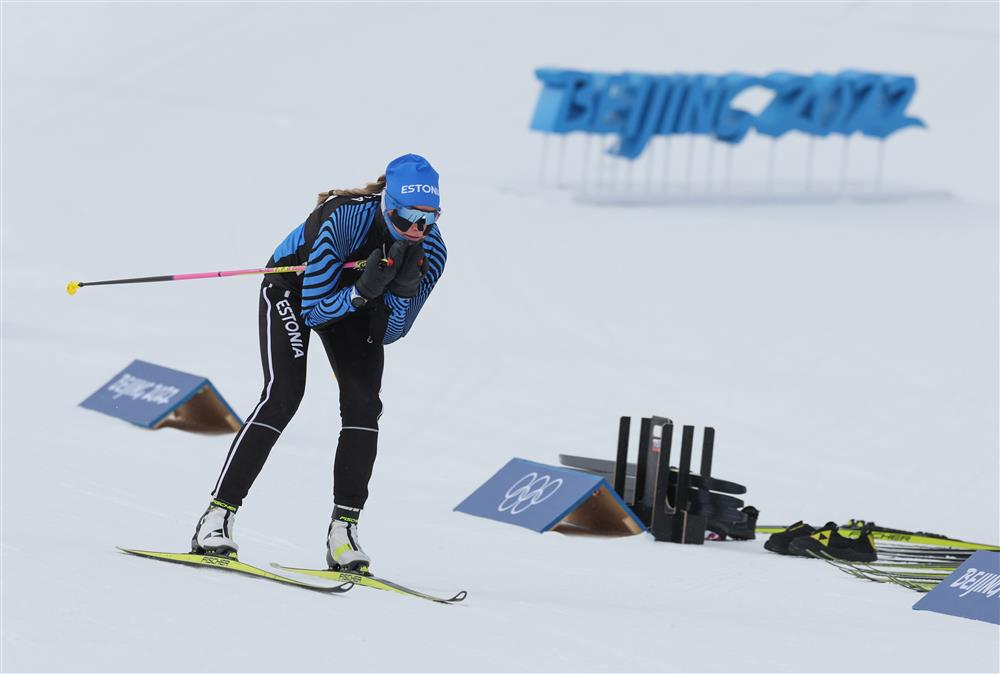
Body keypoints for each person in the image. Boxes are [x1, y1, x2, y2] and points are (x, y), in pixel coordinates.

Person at [190, 154, 446, 573]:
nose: (416, 230)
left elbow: (392, 333)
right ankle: (217, 516)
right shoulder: (344, 219)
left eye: (428, 219)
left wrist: (398, 293)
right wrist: (359, 294)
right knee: (284, 395)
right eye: (406, 218)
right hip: (294, 289)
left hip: (357, 307)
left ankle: (343, 532)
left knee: (364, 405)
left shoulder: (432, 251)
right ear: (386, 203)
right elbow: (313, 311)